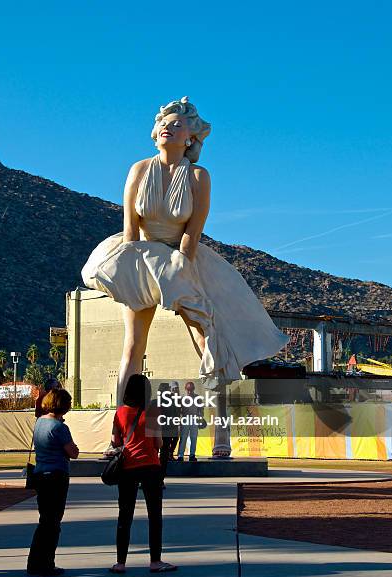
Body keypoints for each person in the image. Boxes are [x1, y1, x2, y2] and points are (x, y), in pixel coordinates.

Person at [81, 96, 289, 410]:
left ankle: (222, 432)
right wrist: (127, 271)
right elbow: (130, 231)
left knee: (208, 342)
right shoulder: (138, 170)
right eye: (164, 124)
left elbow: (193, 232)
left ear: (190, 137)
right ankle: (121, 430)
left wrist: (180, 268)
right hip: (141, 259)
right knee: (133, 345)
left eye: (177, 125)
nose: (169, 128)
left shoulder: (198, 177)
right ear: (156, 132)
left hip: (182, 260)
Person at [110, 374, 177, 574]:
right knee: (154, 515)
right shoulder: (152, 411)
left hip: (128, 467)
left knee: (125, 515)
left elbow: (115, 441)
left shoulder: (120, 413)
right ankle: (155, 561)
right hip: (150, 466)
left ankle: (120, 562)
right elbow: (158, 443)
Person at [27, 389, 79, 577]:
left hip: (41, 474)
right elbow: (73, 452)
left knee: (45, 521)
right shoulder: (60, 428)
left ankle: (35, 562)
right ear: (63, 405)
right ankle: (46, 563)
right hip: (56, 476)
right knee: (53, 523)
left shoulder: (40, 422)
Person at [158, 381, 180, 486]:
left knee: (159, 455)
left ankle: (153, 479)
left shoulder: (157, 401)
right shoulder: (171, 401)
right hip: (165, 431)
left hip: (159, 431)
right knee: (163, 456)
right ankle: (160, 479)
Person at [177, 381, 201, 462]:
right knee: (183, 437)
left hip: (194, 419)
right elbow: (179, 410)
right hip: (185, 419)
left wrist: (200, 418)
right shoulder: (182, 398)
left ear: (194, 389)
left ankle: (192, 455)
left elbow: (201, 409)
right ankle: (180, 455)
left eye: (191, 389)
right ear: (185, 389)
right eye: (188, 389)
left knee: (193, 438)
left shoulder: (197, 398)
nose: (190, 391)